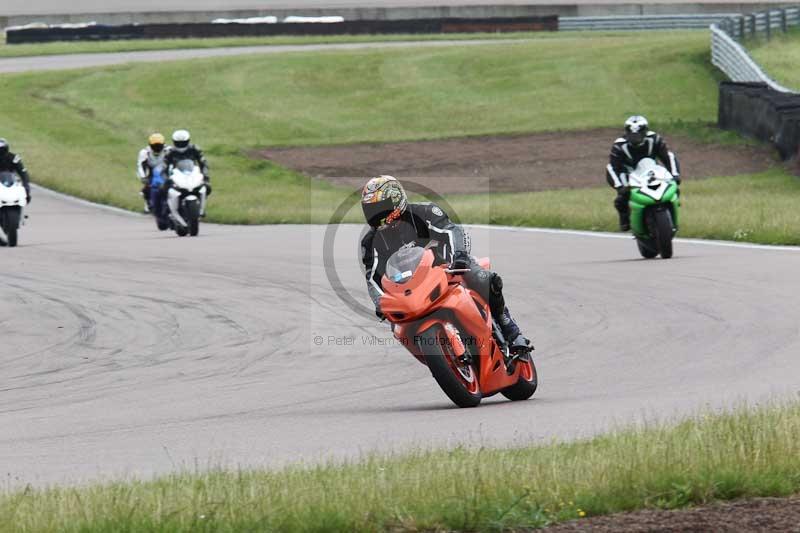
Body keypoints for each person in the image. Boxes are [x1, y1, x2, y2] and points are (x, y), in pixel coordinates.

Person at [360, 175, 531, 352]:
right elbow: (373, 277)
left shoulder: (424, 213)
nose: (376, 215)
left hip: (447, 267)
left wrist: (459, 257)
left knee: (483, 279)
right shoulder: (370, 241)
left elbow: (452, 231)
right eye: (371, 210)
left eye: (380, 209)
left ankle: (510, 329)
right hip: (410, 287)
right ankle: (437, 354)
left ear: (396, 200)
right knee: (397, 326)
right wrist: (381, 303)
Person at [605, 116, 681, 231]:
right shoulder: (619, 146)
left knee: (674, 188)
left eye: (639, 133)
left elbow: (668, 157)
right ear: (626, 133)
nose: (636, 137)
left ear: (645, 132)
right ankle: (624, 218)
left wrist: (675, 175)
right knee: (621, 199)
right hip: (630, 175)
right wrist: (620, 187)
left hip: (652, 171)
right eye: (631, 134)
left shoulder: (655, 139)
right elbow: (612, 168)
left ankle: (672, 213)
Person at [164, 130, 211, 197]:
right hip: (176, 176)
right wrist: (166, 178)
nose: (180, 145)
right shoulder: (170, 152)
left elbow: (203, 163)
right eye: (178, 143)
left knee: (207, 187)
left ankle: (200, 202)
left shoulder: (194, 149)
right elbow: (164, 166)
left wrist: (205, 176)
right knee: (163, 189)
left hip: (193, 174)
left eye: (183, 143)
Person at [137, 133, 168, 213]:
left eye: (159, 146)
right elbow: (140, 165)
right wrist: (143, 177)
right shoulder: (145, 152)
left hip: (165, 172)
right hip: (152, 172)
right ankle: (148, 204)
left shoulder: (168, 150)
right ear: (150, 145)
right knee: (147, 187)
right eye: (155, 146)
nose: (157, 148)